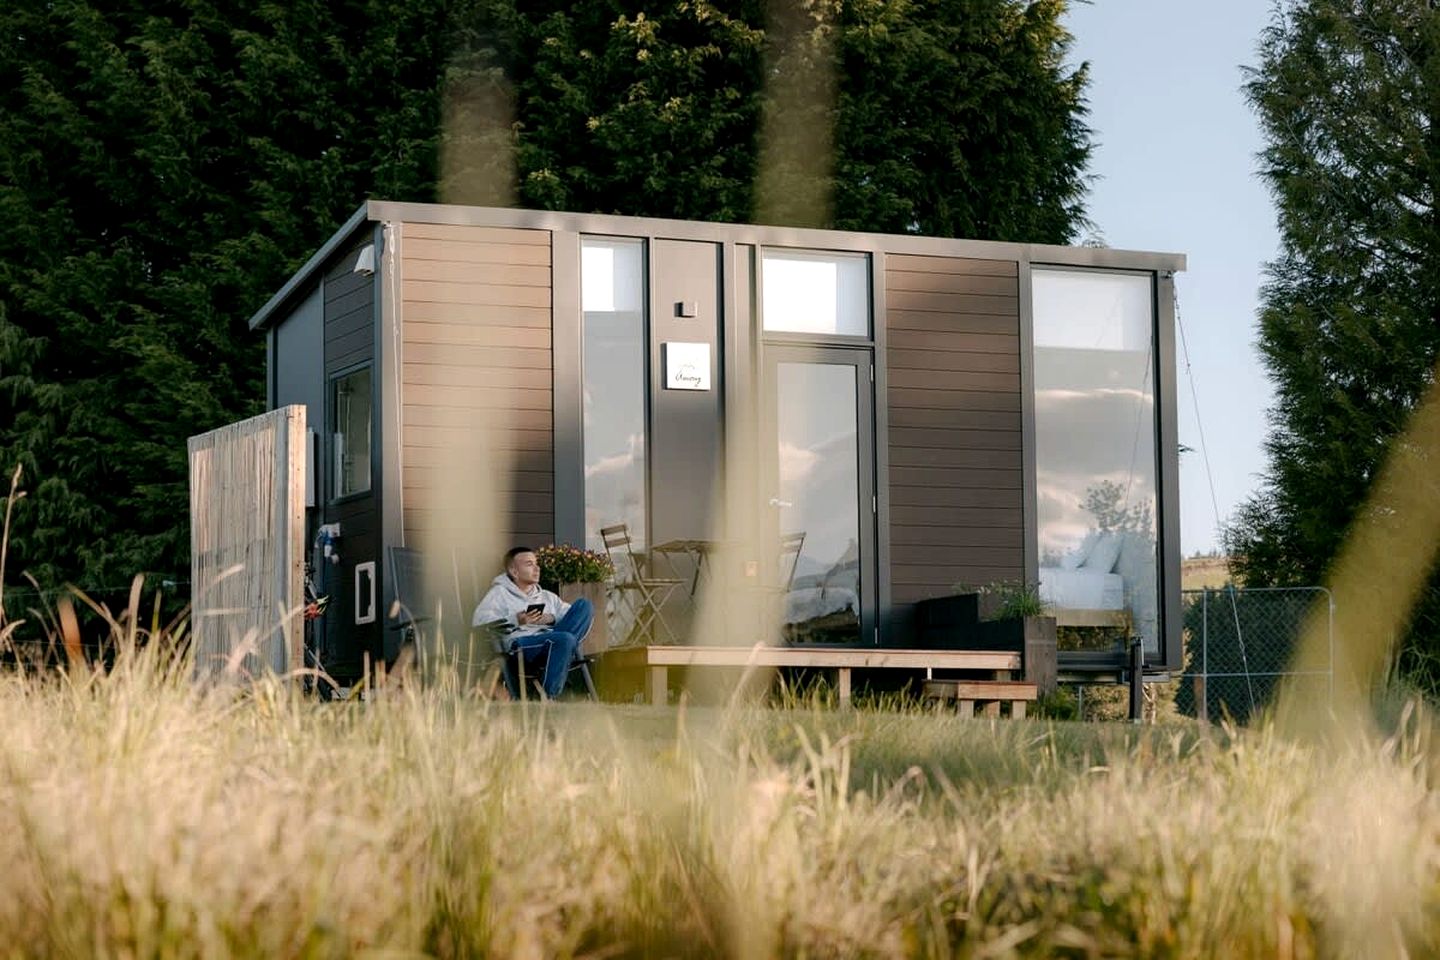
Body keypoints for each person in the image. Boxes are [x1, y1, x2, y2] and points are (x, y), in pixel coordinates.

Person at [472, 546, 593, 699]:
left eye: (537, 563)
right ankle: (548, 696)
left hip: (553, 639)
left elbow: (570, 615)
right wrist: (517, 620)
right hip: (522, 646)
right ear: (514, 571)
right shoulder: (499, 594)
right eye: (529, 564)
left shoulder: (547, 596)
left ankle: (564, 650)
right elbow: (479, 621)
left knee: (584, 606)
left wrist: (551, 618)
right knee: (566, 639)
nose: (537, 568)